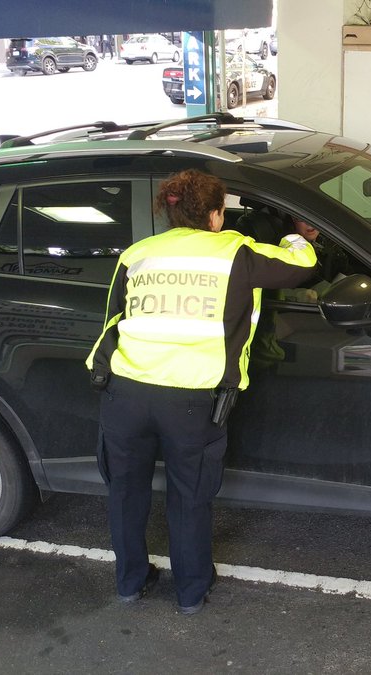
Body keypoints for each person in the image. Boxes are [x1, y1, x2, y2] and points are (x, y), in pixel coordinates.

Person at [87, 170, 316, 614]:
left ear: (170, 211)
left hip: (125, 394)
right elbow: (302, 267)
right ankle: (190, 592)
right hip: (191, 401)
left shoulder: (137, 254)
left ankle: (130, 583)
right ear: (215, 214)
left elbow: (112, 323)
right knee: (188, 497)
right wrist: (297, 235)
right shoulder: (235, 251)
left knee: (125, 493)